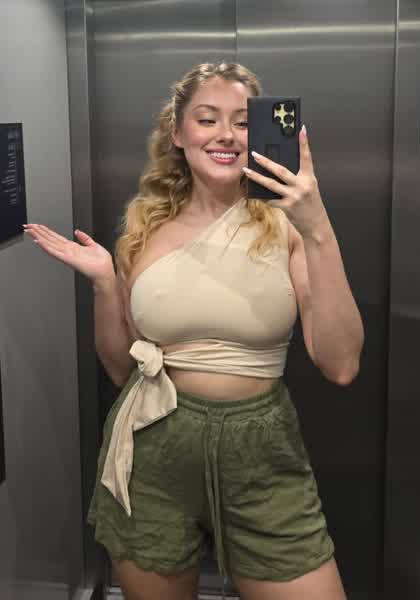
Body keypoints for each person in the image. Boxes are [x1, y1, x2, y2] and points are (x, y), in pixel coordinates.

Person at [24, 62, 364, 600]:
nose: (226, 134)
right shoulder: (146, 229)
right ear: (178, 133)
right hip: (154, 446)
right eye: (207, 119)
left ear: (261, 130)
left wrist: (318, 225)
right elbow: (121, 368)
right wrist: (106, 283)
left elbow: (341, 364)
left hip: (262, 452)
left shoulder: (290, 227)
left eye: (242, 122)